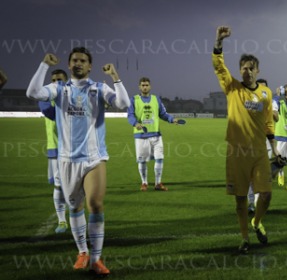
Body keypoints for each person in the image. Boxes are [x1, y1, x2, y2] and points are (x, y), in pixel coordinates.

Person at [26, 47, 131, 275]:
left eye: (83, 60)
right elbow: (32, 93)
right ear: (69, 64)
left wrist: (115, 77)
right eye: (74, 60)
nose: (78, 63)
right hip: (66, 160)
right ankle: (82, 251)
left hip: (94, 158)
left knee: (96, 205)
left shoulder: (99, 89)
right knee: (75, 206)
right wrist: (44, 64)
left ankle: (96, 259)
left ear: (90, 65)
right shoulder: (59, 89)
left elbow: (123, 104)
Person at [212, 26, 279, 254]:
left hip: (260, 152)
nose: (247, 71)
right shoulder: (232, 88)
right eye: (243, 68)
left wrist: (275, 148)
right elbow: (219, 67)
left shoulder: (266, 94)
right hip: (237, 152)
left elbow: (269, 123)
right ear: (240, 71)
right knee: (240, 200)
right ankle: (245, 239)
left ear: (257, 70)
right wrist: (219, 42)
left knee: (267, 195)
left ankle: (257, 222)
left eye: (251, 68)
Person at [127, 77, 180, 192]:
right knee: (142, 160)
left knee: (160, 158)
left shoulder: (156, 99)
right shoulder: (134, 100)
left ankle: (158, 183)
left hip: (156, 135)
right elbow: (130, 115)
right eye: (143, 85)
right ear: (139, 87)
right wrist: (135, 123)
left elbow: (163, 114)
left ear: (150, 86)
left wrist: (172, 120)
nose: (145, 87)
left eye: (146, 85)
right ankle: (144, 183)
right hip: (141, 136)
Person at [38, 69, 69, 233]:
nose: (56, 82)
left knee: (76, 187)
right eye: (54, 80)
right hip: (55, 149)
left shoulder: (73, 94)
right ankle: (62, 221)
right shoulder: (46, 96)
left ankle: (79, 218)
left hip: (75, 148)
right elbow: (47, 111)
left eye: (59, 80)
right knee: (58, 186)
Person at [247, 78, 279, 213]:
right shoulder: (250, 101)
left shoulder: (273, 102)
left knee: (262, 176)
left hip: (266, 144)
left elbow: (276, 117)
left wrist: (266, 108)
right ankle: (250, 203)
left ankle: (257, 203)